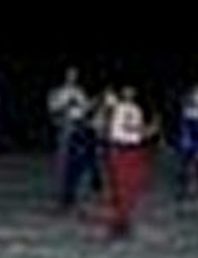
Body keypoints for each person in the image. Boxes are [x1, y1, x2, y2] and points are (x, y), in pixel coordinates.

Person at [104, 84, 153, 237]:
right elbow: (126, 126)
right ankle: (119, 222)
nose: (129, 92)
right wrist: (145, 130)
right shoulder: (117, 107)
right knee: (120, 186)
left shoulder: (136, 109)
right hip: (120, 148)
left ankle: (123, 219)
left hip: (134, 148)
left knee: (133, 185)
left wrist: (145, 132)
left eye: (131, 90)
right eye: (125, 90)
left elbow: (136, 129)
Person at [48, 66, 96, 208]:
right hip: (65, 127)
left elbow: (85, 109)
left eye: (75, 74)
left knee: (77, 161)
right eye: (70, 74)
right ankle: (63, 194)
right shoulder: (58, 92)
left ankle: (73, 192)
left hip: (78, 127)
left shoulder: (79, 91)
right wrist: (66, 106)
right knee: (63, 162)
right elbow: (53, 109)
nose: (72, 77)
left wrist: (90, 105)